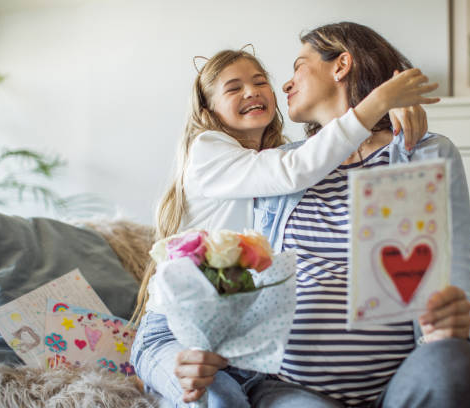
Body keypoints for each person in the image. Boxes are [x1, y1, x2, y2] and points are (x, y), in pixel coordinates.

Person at [130, 42, 438, 406]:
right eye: (233, 88)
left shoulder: (277, 160)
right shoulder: (208, 150)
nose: (252, 91)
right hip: (176, 330)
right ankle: (161, 383)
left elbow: (313, 160)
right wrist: (378, 102)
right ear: (208, 109)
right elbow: (297, 170)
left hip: (241, 342)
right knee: (216, 402)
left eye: (260, 82)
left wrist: (392, 116)